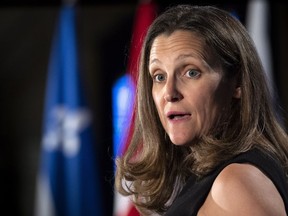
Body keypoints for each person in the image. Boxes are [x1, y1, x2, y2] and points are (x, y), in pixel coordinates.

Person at [115, 4, 288, 216]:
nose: (169, 92)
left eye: (191, 72)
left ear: (238, 83)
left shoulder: (236, 182)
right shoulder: (211, 175)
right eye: (159, 76)